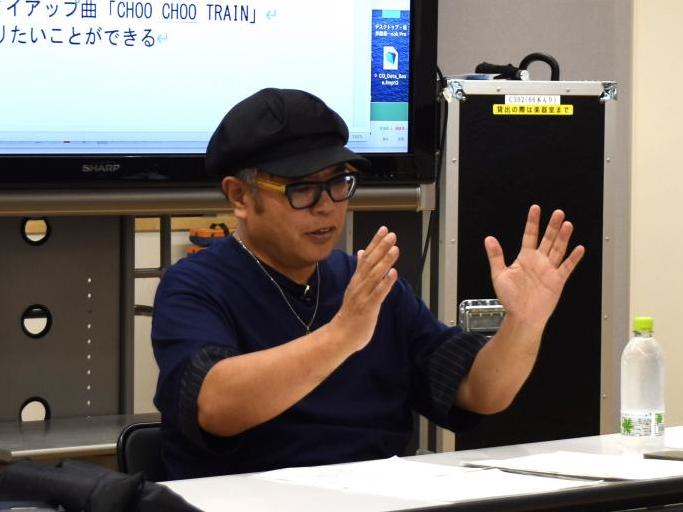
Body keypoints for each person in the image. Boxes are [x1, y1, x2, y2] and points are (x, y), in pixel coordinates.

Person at [151, 88, 585, 480]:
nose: (326, 207)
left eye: (338, 183)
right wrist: (343, 333)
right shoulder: (195, 286)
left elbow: (479, 391)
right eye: (302, 189)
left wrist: (524, 324)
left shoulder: (369, 284)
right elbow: (215, 406)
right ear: (240, 196)